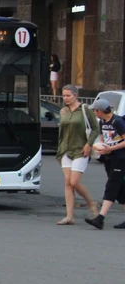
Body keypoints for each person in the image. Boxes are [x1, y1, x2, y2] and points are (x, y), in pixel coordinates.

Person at [55, 84, 100, 225]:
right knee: (68, 183)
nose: (66, 98)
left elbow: (95, 129)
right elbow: (61, 132)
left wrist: (89, 144)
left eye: (68, 95)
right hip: (65, 150)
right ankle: (69, 216)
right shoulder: (63, 111)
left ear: (76, 95)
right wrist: (59, 151)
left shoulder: (85, 110)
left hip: (80, 150)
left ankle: (91, 203)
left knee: (74, 182)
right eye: (64, 96)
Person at [85, 98, 125, 229]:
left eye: (95, 111)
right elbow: (103, 138)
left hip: (120, 158)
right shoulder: (102, 122)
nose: (95, 113)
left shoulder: (117, 121)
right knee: (120, 190)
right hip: (109, 158)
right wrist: (102, 148)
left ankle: (100, 218)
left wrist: (110, 149)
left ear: (99, 111)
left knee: (112, 186)